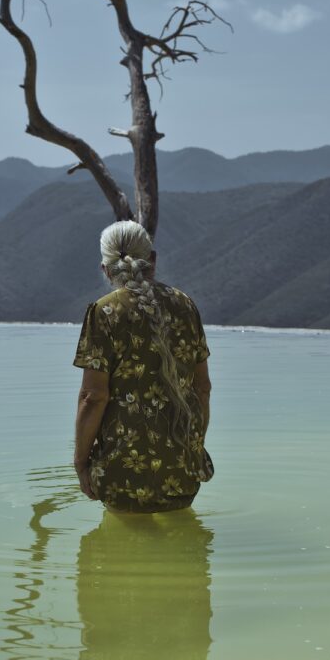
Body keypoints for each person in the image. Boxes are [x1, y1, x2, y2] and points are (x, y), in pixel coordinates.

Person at [72, 220, 212, 513]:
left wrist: (81, 462)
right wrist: (194, 449)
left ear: (105, 269)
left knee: (120, 555)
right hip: (182, 470)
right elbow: (202, 388)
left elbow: (93, 397)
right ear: (153, 259)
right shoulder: (185, 305)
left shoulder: (104, 312)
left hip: (121, 472)